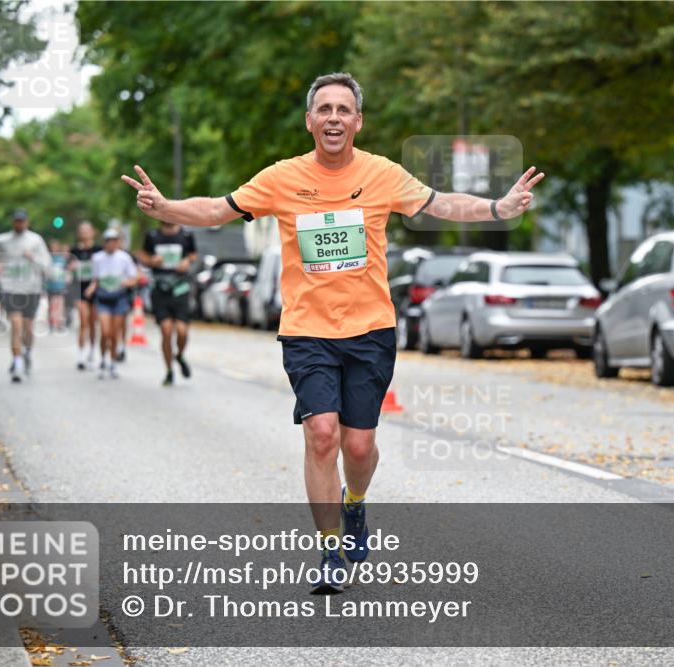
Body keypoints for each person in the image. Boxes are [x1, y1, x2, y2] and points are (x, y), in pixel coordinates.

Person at [122, 72, 543, 593]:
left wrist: (497, 208)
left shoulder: (382, 174)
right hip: (307, 331)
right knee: (322, 435)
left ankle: (356, 504)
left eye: (344, 109)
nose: (334, 118)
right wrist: (167, 208)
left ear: (358, 121)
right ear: (309, 121)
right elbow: (218, 210)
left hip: (370, 329)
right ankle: (329, 550)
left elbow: (439, 203)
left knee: (359, 447)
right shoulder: (281, 177)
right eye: (325, 109)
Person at [0, 209, 51, 383]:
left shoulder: (36, 240)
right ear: (13, 222)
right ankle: (18, 362)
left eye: (22, 221)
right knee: (15, 324)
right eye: (16, 221)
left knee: (28, 327)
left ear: (27, 222)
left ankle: (27, 352)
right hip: (10, 288)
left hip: (32, 289)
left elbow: (47, 264)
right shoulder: (2, 240)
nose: (19, 224)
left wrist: (33, 258)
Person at [134, 220, 197, 386]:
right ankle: (169, 371)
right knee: (166, 330)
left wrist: (187, 262)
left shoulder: (186, 235)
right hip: (160, 288)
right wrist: (151, 261)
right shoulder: (153, 236)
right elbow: (143, 255)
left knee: (182, 331)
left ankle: (180, 356)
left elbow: (193, 254)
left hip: (180, 288)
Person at [86, 229, 139, 380]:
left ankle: (113, 362)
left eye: (115, 241)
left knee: (115, 334)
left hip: (119, 298)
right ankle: (103, 360)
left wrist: (125, 282)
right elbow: (95, 279)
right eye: (109, 241)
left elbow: (134, 278)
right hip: (103, 298)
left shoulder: (124, 258)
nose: (112, 244)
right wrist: (92, 288)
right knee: (105, 331)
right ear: (105, 242)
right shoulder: (97, 258)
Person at [68, 222, 102, 370]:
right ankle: (81, 355)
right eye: (82, 230)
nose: (85, 233)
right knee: (83, 322)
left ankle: (92, 352)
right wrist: (70, 268)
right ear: (79, 233)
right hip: (80, 289)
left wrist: (95, 284)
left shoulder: (99, 250)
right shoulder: (74, 250)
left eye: (87, 230)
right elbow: (67, 270)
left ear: (93, 232)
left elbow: (103, 269)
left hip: (96, 290)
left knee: (93, 323)